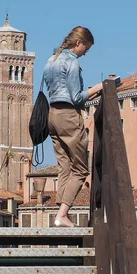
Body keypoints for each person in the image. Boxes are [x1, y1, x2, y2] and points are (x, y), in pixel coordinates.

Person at [44, 27, 102, 227]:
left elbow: (58, 92)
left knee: (65, 166)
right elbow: (76, 98)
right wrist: (98, 88)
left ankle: (61, 214)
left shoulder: (51, 60)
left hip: (51, 116)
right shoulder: (72, 62)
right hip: (68, 117)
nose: (85, 53)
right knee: (80, 169)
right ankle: (62, 215)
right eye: (86, 48)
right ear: (79, 43)